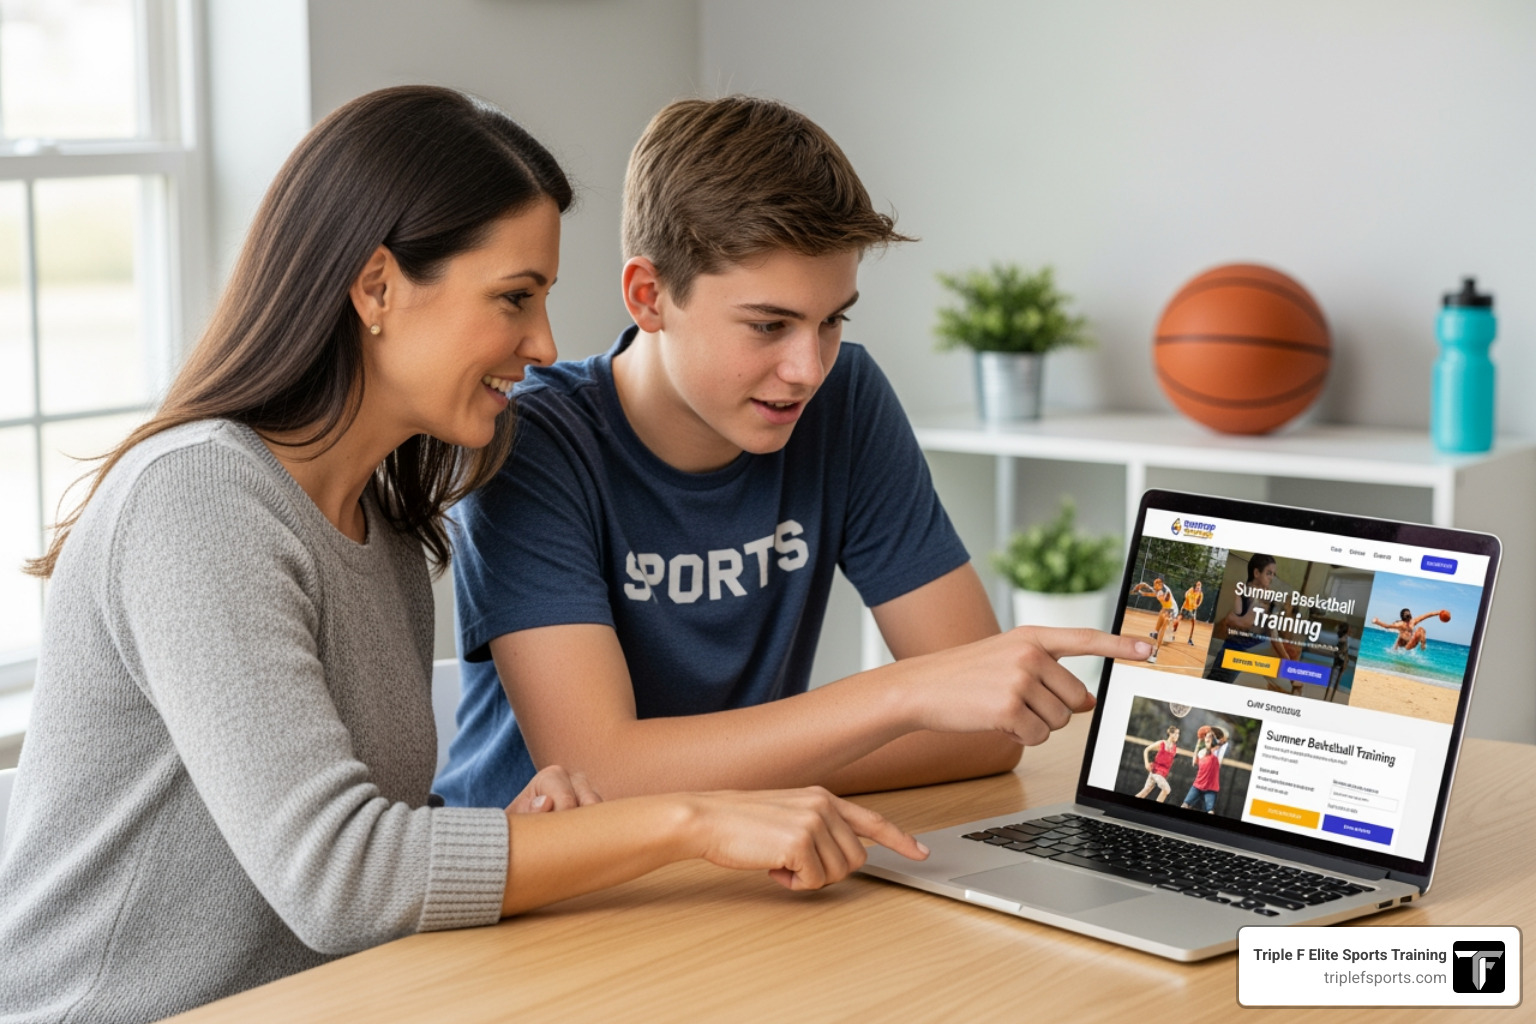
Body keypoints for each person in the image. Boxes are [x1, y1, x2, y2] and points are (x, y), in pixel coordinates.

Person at [0, 87, 927, 1024]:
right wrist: (691, 817)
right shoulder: (199, 498)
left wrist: (513, 835)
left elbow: (375, 851)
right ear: (377, 288)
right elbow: (340, 878)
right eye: (514, 298)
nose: (545, 344)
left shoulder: (384, 530)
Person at [438, 95, 1151, 808]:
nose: (808, 370)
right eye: (768, 325)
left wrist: (698, 773)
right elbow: (600, 777)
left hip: (748, 847)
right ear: (649, 296)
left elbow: (992, 731)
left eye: (832, 320)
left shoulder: (845, 400)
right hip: (536, 867)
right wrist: (904, 695)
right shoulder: (531, 439)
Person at [1205, 553, 1294, 683]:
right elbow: (1240, 622)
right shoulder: (1243, 592)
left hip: (1247, 653)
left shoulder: (1268, 599)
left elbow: (1273, 634)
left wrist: (1288, 662)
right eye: (1269, 573)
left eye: (1274, 574)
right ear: (1256, 573)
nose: (1272, 578)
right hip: (1234, 651)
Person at [1128, 577, 1178, 664]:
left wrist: (1145, 587)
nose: (1154, 585)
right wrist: (1143, 593)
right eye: (1154, 584)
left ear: (1161, 584)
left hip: (1172, 610)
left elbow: (1161, 597)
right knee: (1156, 630)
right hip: (1165, 608)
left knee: (1162, 628)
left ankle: (1155, 654)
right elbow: (1155, 594)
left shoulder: (1165, 592)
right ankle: (1157, 635)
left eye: (1156, 584)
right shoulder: (1159, 589)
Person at [1180, 727, 1227, 814]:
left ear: (1214, 740)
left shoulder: (1217, 753)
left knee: (1210, 811)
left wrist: (1215, 733)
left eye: (1210, 737)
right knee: (1184, 805)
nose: (1207, 738)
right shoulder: (1201, 752)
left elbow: (1222, 742)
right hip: (1197, 786)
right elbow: (1194, 762)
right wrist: (1199, 741)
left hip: (1211, 788)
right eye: (1206, 737)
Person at [1135, 725, 1180, 802]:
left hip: (1161, 774)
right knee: (1167, 789)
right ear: (1170, 733)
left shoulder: (1174, 748)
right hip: (1156, 771)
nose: (1177, 735)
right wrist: (1146, 763)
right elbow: (1146, 750)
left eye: (1178, 734)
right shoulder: (1162, 743)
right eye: (1175, 733)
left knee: (1144, 792)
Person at [1372, 608, 1447, 651]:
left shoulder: (1413, 622)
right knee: (1417, 631)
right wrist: (1377, 622)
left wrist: (1439, 612)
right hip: (1403, 644)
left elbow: (1427, 615)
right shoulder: (1401, 624)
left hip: (1410, 644)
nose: (1408, 615)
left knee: (1421, 630)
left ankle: (1423, 645)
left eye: (1408, 614)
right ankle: (1422, 646)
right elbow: (1387, 626)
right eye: (1407, 614)